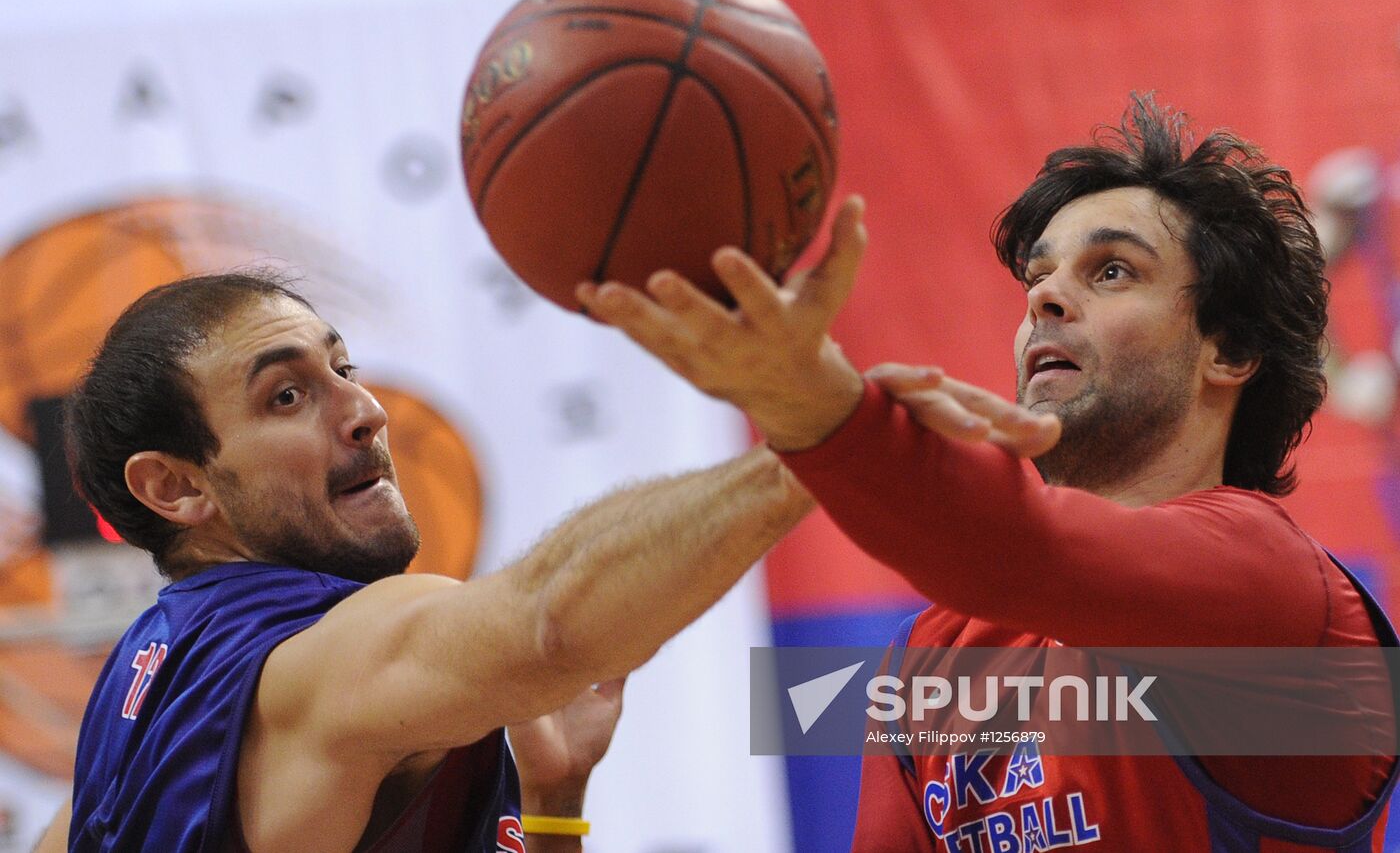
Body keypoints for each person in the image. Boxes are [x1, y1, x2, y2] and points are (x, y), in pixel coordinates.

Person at [580, 94, 1399, 851]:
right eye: (1037, 278)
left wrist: (806, 396)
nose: (1046, 300)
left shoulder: (1276, 590)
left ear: (1230, 351)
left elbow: (1014, 547)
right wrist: (550, 815)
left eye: (1112, 270)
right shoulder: (933, 656)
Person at [40, 272, 816, 852]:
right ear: (175, 485)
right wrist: (817, 441)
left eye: (342, 370)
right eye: (285, 395)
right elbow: (550, 622)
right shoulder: (324, 651)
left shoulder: (132, 690)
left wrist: (551, 807)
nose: (366, 411)